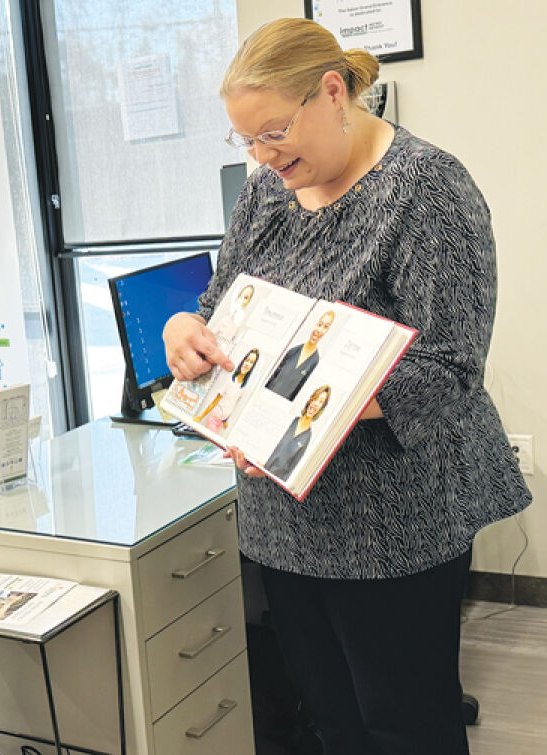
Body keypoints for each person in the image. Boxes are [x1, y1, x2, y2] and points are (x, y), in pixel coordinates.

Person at [161, 18, 531, 755]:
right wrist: (182, 331)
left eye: (274, 132)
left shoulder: (425, 189)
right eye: (248, 142)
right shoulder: (269, 191)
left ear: (333, 92)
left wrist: (297, 410)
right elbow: (219, 313)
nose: (265, 158)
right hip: (283, 516)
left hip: (393, 521)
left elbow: (450, 367)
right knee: (330, 718)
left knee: (406, 723)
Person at [264, 384, 331, 480]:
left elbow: (292, 467)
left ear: (321, 408)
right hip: (261, 466)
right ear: (310, 400)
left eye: (320, 402)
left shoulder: (307, 436)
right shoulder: (290, 420)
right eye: (315, 399)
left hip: (275, 479)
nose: (316, 404)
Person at [265, 309, 334, 400]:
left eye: (325, 327)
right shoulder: (293, 351)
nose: (319, 330)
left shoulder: (315, 361)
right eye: (319, 324)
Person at [193, 347, 260, 432]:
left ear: (252, 367)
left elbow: (232, 404)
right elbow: (215, 401)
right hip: (214, 419)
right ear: (243, 361)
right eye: (247, 360)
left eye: (251, 362)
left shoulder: (243, 388)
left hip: (222, 422)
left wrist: (226, 420)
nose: (247, 364)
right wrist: (201, 417)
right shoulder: (229, 381)